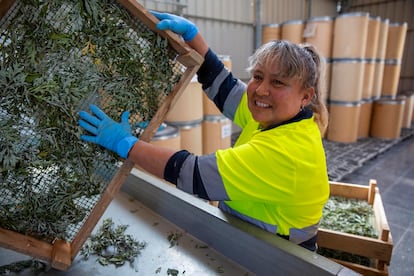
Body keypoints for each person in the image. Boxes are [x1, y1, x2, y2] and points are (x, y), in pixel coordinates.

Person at [78, 11, 330, 251]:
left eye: (278, 82)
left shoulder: (287, 152)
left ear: (306, 96)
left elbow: (191, 173)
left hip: (280, 255)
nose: (261, 90)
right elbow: (225, 87)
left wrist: (125, 143)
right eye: (258, 76)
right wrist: (192, 36)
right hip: (248, 233)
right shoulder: (278, 115)